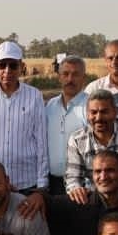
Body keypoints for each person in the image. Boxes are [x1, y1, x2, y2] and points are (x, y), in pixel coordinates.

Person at [0, 41, 48, 196]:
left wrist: (42, 184)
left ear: (21, 66)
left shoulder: (34, 96)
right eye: (2, 65)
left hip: (26, 182)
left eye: (13, 65)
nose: (7, 71)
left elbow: (41, 142)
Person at [44, 56, 89, 195]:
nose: (70, 79)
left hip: (81, 185)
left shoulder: (90, 106)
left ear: (84, 78)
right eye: (65, 74)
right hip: (52, 183)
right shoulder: (50, 106)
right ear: (59, 77)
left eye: (75, 74)